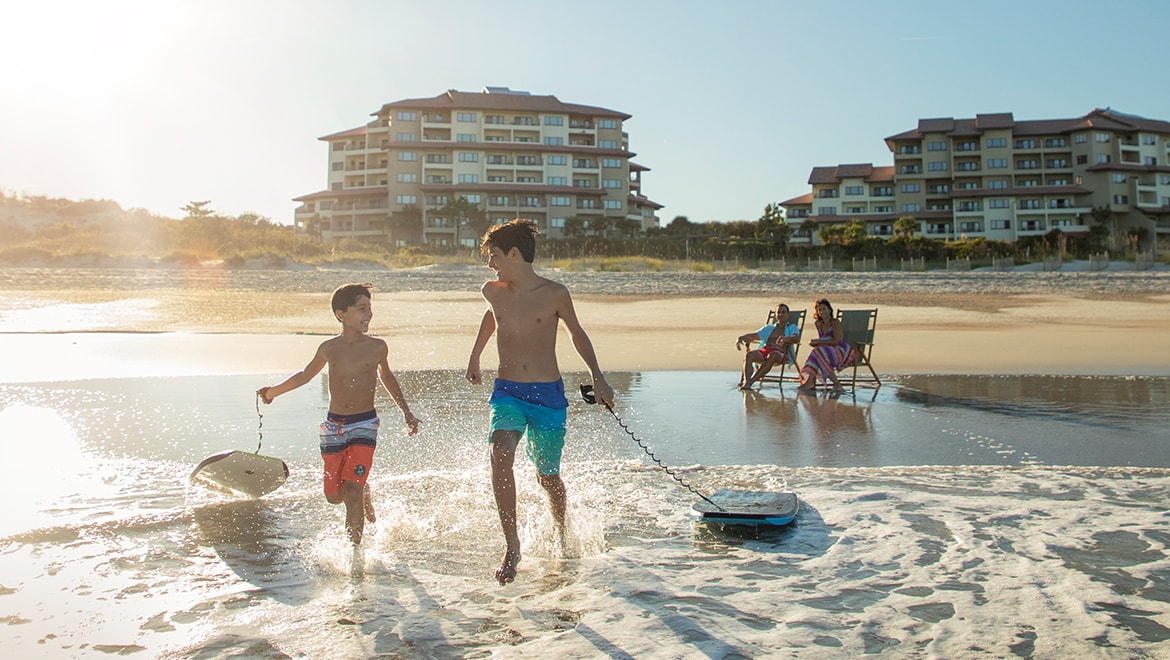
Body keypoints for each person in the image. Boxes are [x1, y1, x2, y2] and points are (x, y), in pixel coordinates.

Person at [465, 219, 614, 587]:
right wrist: (475, 355)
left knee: (548, 477)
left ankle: (562, 531)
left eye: (494, 256)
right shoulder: (492, 291)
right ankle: (512, 545)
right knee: (501, 452)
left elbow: (577, 334)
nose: (490, 264)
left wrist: (598, 376)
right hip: (508, 393)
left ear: (514, 254)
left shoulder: (554, 294)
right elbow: (493, 318)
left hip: (548, 396)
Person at [257, 283, 421, 545]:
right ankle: (363, 488)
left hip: (365, 423)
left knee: (352, 491)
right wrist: (273, 392)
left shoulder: (377, 347)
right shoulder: (329, 348)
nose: (368, 314)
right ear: (341, 314)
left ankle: (355, 557)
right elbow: (304, 376)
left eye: (369, 308)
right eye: (361, 309)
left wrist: (407, 412)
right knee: (334, 495)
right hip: (334, 425)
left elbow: (388, 378)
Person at [736, 303, 800, 390]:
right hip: (765, 350)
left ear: (788, 314)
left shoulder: (791, 327)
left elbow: (796, 338)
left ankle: (750, 382)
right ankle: (746, 382)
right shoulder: (769, 328)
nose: (780, 314)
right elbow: (754, 335)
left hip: (781, 353)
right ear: (775, 315)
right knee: (749, 355)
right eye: (778, 312)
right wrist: (741, 338)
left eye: (783, 312)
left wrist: (786, 339)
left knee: (772, 355)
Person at [797, 298, 850, 393]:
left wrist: (818, 342)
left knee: (817, 353)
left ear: (829, 310)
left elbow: (836, 341)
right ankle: (814, 382)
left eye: (824, 309)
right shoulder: (818, 324)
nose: (822, 312)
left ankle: (814, 383)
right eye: (819, 310)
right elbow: (823, 340)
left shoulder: (835, 322)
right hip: (826, 352)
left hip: (840, 351)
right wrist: (816, 343)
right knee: (818, 353)